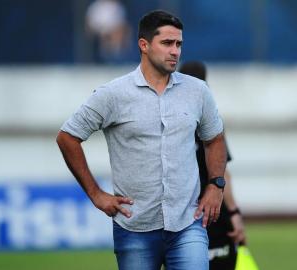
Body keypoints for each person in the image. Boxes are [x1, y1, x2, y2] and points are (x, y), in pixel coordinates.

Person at [56, 10, 227, 270]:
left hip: (187, 224)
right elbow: (67, 137)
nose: (175, 51)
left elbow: (214, 139)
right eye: (167, 43)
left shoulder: (197, 91)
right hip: (134, 228)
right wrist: (96, 194)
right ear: (144, 45)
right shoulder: (113, 94)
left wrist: (216, 184)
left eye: (179, 44)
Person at [179, 61, 246, 270]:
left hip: (193, 214)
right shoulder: (208, 121)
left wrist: (234, 213)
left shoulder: (210, 121)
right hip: (202, 215)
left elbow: (223, 171)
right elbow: (224, 172)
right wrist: (234, 214)